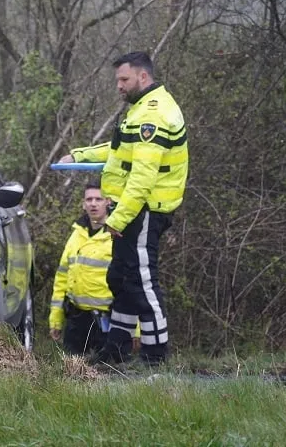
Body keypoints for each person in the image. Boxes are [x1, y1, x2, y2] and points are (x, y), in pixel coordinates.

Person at [58, 51, 188, 365]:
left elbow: (143, 179)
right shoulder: (141, 109)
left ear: (143, 77)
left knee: (142, 280)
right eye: (118, 79)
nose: (119, 85)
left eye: (124, 79)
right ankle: (115, 349)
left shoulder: (151, 116)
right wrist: (79, 156)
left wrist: (118, 219)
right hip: (132, 209)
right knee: (120, 278)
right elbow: (118, 151)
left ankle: (156, 356)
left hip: (144, 210)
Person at [49, 180, 129, 355]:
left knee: (108, 373)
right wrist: (56, 319)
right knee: (72, 372)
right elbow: (62, 277)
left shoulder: (117, 235)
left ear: (108, 201)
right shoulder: (76, 234)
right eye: (89, 199)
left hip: (107, 321)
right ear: (83, 203)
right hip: (76, 320)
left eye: (98, 199)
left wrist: (135, 331)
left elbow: (130, 284)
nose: (93, 204)